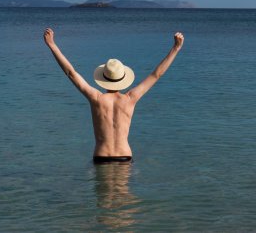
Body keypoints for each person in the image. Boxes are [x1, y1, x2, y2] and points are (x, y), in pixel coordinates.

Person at [43, 28, 184, 164]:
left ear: (103, 80)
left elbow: (71, 73)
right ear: (123, 80)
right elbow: (156, 74)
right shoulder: (130, 99)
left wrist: (52, 45)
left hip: (101, 156)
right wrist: (175, 48)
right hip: (124, 157)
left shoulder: (96, 98)